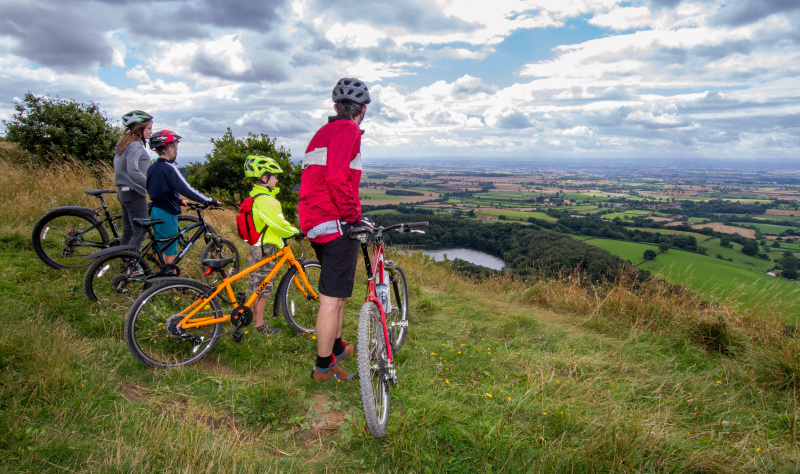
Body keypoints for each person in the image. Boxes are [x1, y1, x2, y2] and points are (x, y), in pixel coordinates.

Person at [298, 77, 371, 382]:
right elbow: (338, 179)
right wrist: (353, 216)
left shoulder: (324, 131)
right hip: (335, 221)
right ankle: (323, 367)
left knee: (338, 293)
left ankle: (337, 349)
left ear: (335, 106)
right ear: (363, 109)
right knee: (331, 299)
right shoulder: (348, 130)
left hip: (316, 221)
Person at [243, 155, 299, 335]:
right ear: (265, 178)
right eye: (275, 176)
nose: (277, 180)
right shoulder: (266, 200)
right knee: (263, 287)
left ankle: (252, 318)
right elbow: (278, 224)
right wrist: (295, 232)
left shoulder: (255, 195)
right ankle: (259, 325)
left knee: (256, 284)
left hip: (256, 246)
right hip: (265, 249)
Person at [146, 130, 219, 268]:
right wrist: (209, 200)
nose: (176, 151)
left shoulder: (152, 168)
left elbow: (158, 190)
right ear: (169, 149)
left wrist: (178, 201)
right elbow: (187, 190)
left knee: (160, 246)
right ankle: (171, 276)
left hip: (156, 210)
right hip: (167, 213)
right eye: (175, 148)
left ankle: (160, 274)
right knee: (170, 249)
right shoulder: (169, 168)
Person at [114, 110, 153, 249]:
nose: (151, 132)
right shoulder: (135, 145)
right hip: (134, 193)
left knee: (129, 231)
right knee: (140, 232)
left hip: (123, 191)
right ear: (139, 128)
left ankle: (125, 259)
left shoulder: (124, 144)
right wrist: (150, 185)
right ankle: (133, 261)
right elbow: (133, 170)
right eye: (149, 128)